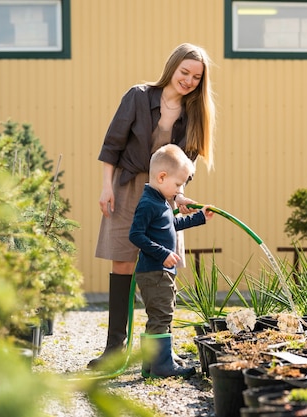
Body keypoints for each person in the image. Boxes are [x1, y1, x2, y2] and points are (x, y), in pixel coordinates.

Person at [91, 43, 216, 369]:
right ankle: (114, 352)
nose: (188, 80)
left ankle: (160, 352)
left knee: (162, 271)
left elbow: (187, 165)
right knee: (123, 266)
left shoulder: (194, 115)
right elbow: (112, 145)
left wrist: (180, 195)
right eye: (184, 72)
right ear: (173, 67)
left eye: (196, 77)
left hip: (165, 197)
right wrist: (107, 187)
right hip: (129, 185)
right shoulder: (138, 96)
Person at [129, 144, 214, 378]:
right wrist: (163, 253)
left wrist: (199, 218)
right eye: (178, 185)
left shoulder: (161, 202)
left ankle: (152, 364)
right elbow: (136, 235)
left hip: (161, 271)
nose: (180, 190)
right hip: (155, 271)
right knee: (161, 316)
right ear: (162, 176)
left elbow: (171, 226)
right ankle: (162, 367)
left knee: (160, 315)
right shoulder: (149, 203)